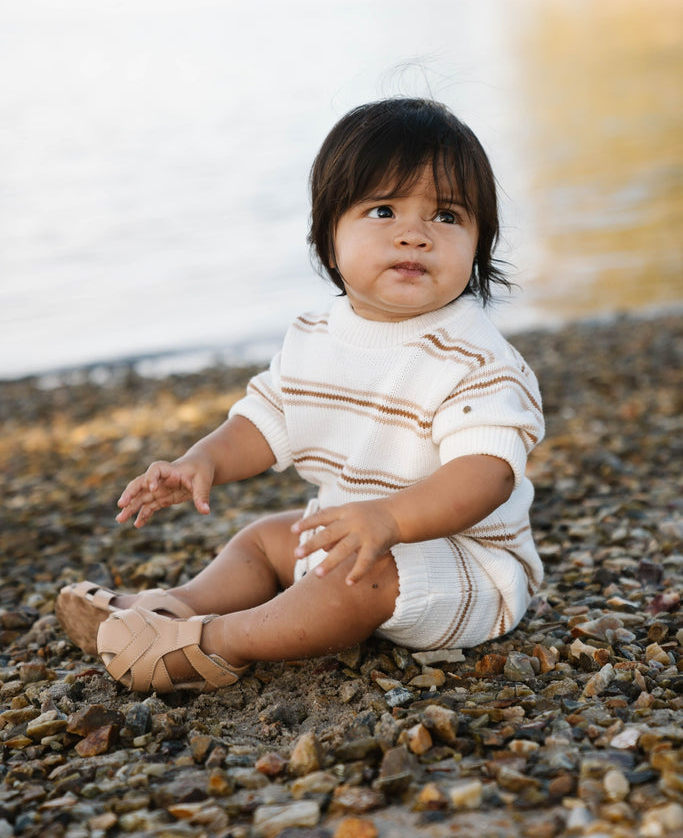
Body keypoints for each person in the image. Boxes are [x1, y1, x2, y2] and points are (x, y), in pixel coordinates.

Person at [56, 97, 545, 695]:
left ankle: (213, 642)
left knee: (351, 581)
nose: (415, 235)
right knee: (264, 539)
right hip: (349, 532)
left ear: (478, 243)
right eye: (384, 210)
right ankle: (172, 608)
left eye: (446, 216)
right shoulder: (315, 336)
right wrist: (203, 460)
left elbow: (486, 476)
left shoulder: (477, 358)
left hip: (461, 565)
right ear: (329, 236)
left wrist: (389, 519)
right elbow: (266, 419)